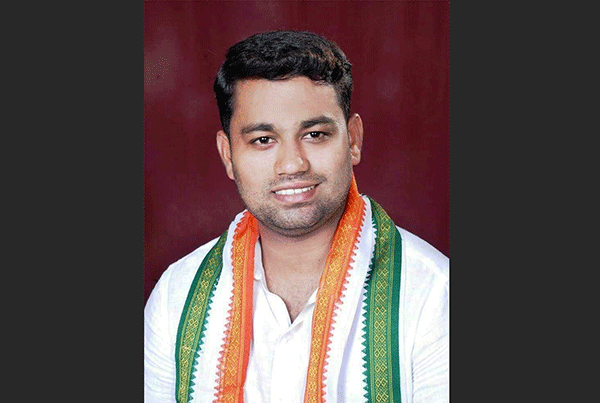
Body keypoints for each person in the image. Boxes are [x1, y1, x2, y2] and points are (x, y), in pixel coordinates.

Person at [144, 30, 449, 403]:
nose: (292, 164)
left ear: (353, 139)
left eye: (315, 134)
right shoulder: (177, 296)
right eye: (263, 140)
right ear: (228, 155)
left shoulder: (434, 296)